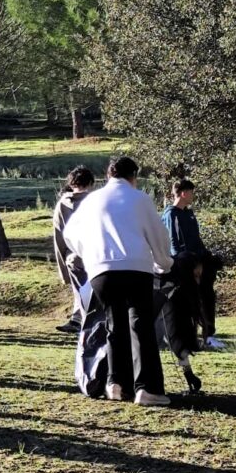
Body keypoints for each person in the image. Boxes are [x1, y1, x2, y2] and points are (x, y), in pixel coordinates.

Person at [63, 156, 174, 407]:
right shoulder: (140, 199)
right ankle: (147, 388)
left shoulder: (92, 200)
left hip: (102, 272)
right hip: (136, 268)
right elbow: (158, 235)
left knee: (114, 326)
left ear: (108, 175)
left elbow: (70, 234)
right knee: (141, 326)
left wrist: (90, 253)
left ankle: (115, 384)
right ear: (133, 176)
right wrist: (163, 263)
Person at [162, 178, 227, 351]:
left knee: (207, 298)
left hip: (200, 264)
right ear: (183, 193)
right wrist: (187, 265)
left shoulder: (189, 214)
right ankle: (191, 337)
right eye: (191, 192)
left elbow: (196, 240)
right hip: (186, 266)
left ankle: (209, 335)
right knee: (189, 302)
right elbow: (174, 244)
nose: (193, 196)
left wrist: (207, 258)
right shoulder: (171, 214)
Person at [52, 166, 95, 333]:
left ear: (71, 183)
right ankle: (86, 321)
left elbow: (59, 237)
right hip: (96, 254)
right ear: (91, 182)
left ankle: (78, 319)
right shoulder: (96, 201)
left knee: (79, 290)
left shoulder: (62, 204)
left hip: (73, 256)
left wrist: (63, 268)